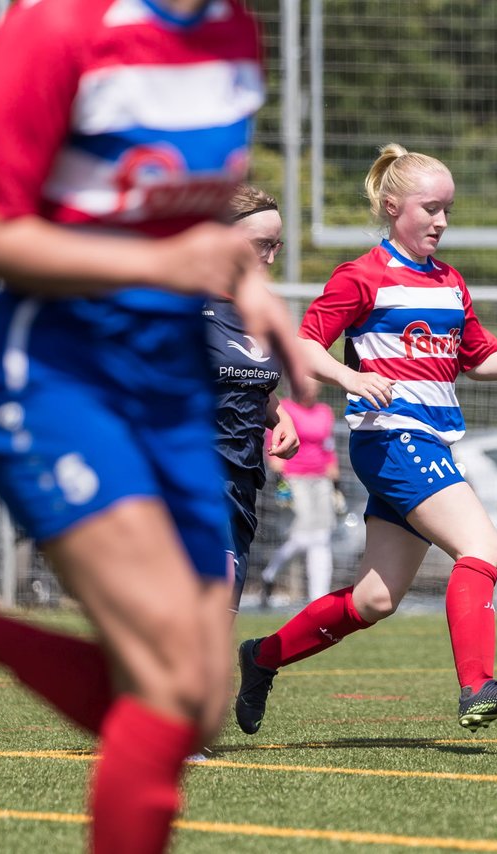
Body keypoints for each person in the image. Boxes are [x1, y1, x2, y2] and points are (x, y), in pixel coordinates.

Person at [0, 3, 307, 853]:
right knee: (162, 684)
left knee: (197, 703)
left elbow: (195, 210)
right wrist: (161, 264)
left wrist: (245, 284)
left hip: (171, 389)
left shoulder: (233, 30)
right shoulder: (58, 26)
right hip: (55, 381)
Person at [234, 142, 497, 736]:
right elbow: (303, 345)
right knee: (482, 547)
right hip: (392, 440)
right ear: (391, 206)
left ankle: (263, 657)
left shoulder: (451, 283)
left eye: (448, 210)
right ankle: (478, 686)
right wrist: (352, 377)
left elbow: (479, 360)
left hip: (428, 442)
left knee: (374, 600)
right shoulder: (361, 276)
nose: (441, 222)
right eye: (430, 208)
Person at [208, 184, 299, 611]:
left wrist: (279, 416)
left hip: (242, 479)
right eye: (261, 245)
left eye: (275, 245)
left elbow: (248, 385)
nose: (270, 257)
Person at [258, 380, 341, 607]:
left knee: (322, 537)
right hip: (293, 478)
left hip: (321, 479)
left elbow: (329, 446)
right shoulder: (285, 409)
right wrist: (279, 476)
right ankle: (270, 574)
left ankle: (319, 599)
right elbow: (272, 440)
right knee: (302, 537)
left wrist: (335, 481)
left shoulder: (324, 412)